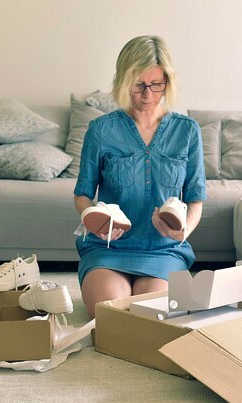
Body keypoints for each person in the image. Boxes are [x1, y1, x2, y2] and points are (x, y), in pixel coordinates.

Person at [73, 35, 206, 319]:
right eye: (139, 85)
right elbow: (82, 194)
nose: (148, 94)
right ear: (124, 82)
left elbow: (196, 199)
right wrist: (96, 223)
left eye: (157, 84)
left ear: (167, 81)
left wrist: (184, 231)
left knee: (151, 315)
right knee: (112, 311)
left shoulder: (187, 130)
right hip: (108, 249)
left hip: (164, 251)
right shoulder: (100, 130)